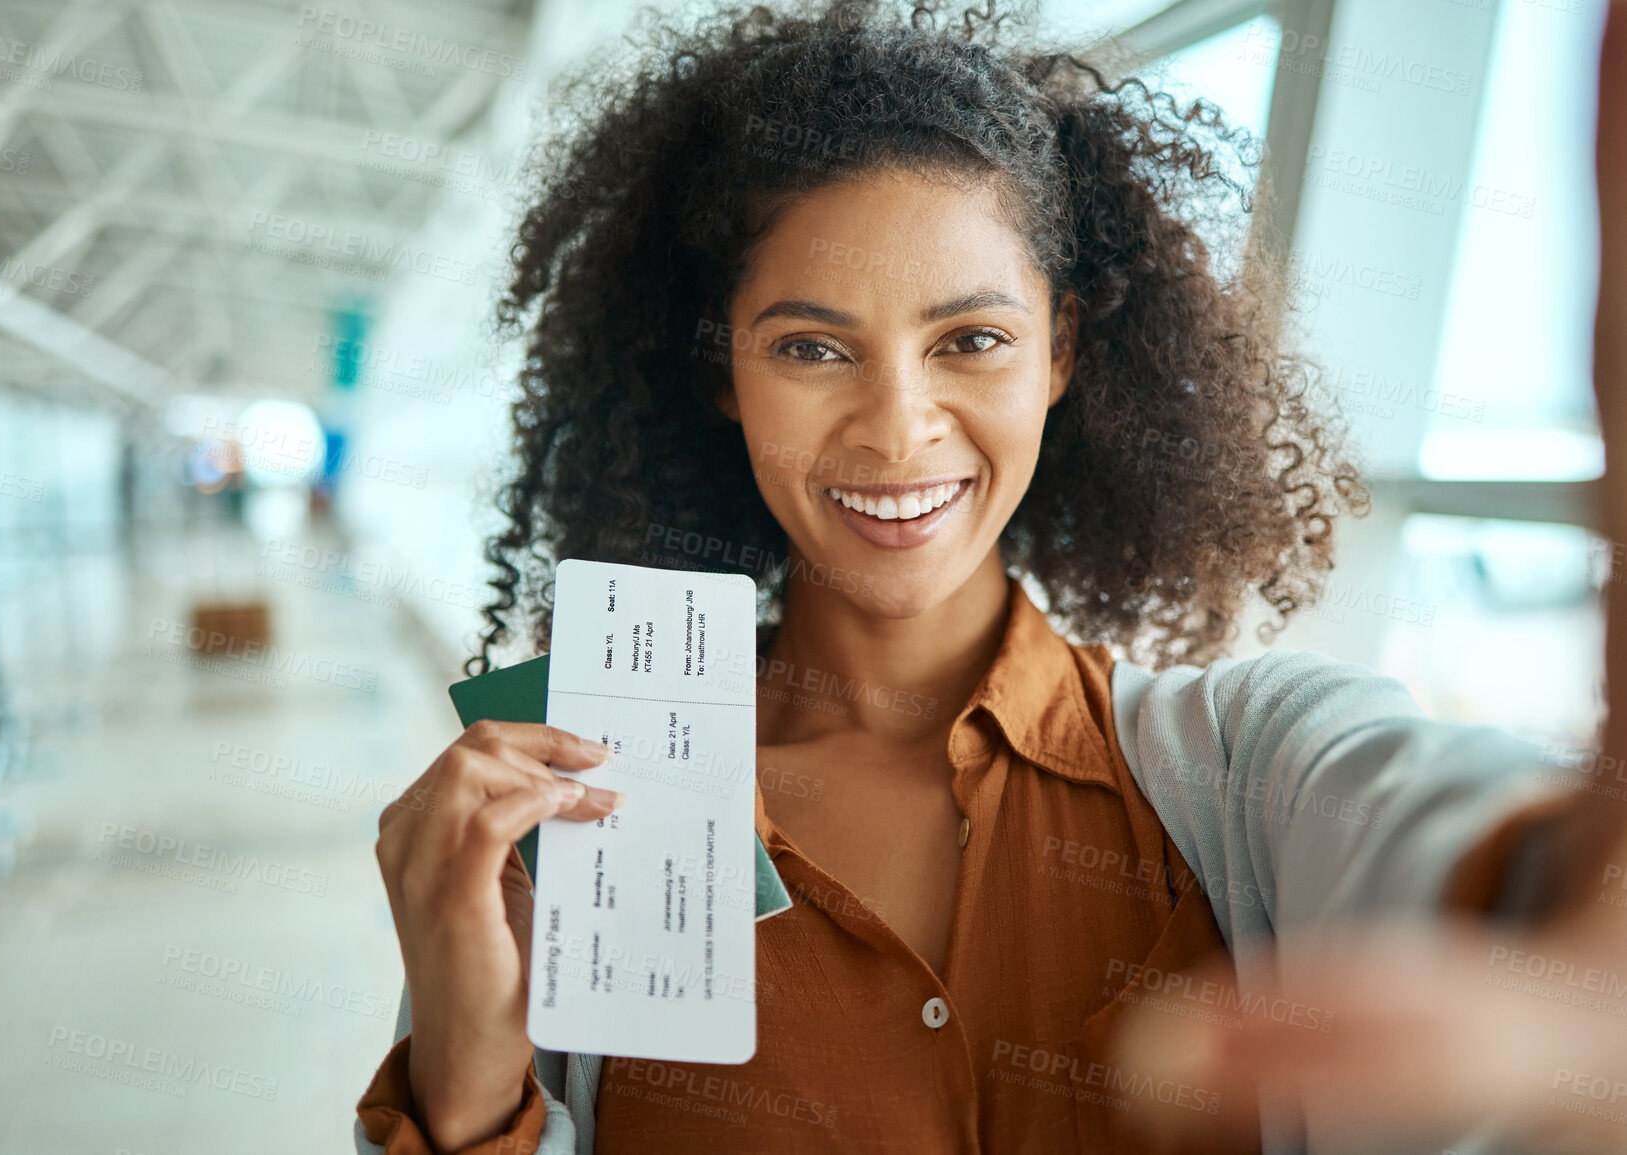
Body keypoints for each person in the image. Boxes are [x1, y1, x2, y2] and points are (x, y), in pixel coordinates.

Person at [356, 1, 1625, 1151]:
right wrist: (467, 1077)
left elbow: (1485, 840)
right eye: (810, 346)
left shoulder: (1249, 770)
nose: (898, 429)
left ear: (1062, 352)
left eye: (972, 339)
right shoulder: (567, 827)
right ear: (719, 377)